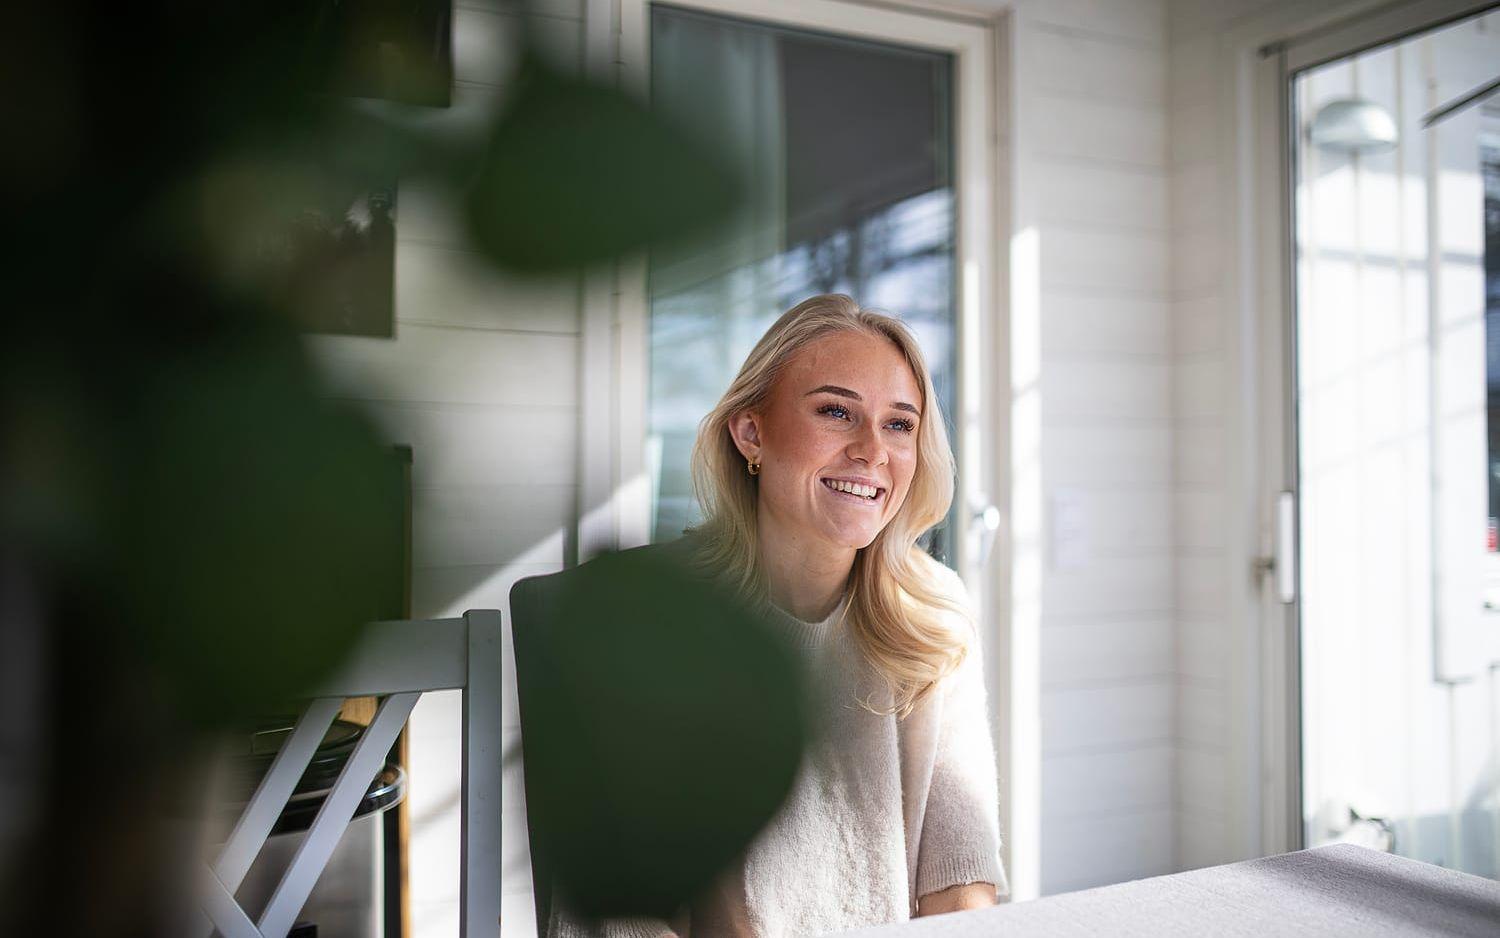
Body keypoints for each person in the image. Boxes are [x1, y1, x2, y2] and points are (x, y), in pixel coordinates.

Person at [532, 293, 1007, 937]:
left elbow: (963, 887)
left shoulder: (935, 614)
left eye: (900, 424)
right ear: (750, 431)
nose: (873, 451)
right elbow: (619, 918)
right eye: (837, 411)